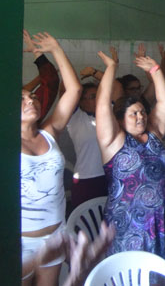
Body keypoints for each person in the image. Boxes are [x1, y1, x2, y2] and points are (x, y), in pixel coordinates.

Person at [95, 46, 165, 268]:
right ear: (120, 119)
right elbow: (102, 104)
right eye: (133, 113)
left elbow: (164, 101)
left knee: (164, 273)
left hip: (164, 218)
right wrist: (111, 68)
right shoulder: (113, 141)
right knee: (133, 274)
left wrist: (155, 70)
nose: (140, 116)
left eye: (142, 112)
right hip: (130, 223)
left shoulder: (154, 134)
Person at [21, 32, 82, 286]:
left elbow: (74, 90)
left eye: (32, 96)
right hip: (20, 241)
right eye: (22, 98)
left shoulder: (49, 132)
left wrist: (56, 49)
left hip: (55, 235)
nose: (30, 100)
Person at [66, 82, 108, 209]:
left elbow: (116, 88)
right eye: (93, 96)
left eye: (99, 95)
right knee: (85, 218)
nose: (98, 99)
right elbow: (70, 90)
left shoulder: (109, 113)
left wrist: (95, 74)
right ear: (81, 102)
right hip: (86, 180)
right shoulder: (75, 118)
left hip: (110, 176)